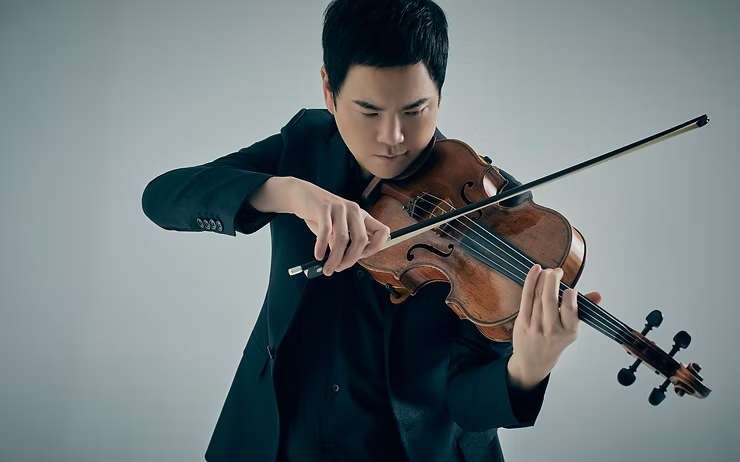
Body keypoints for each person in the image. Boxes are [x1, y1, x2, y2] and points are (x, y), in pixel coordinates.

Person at [141, 0, 601, 460]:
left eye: (415, 110)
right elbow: (162, 197)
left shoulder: (492, 208)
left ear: (439, 95)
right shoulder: (304, 147)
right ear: (329, 90)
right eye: (368, 111)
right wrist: (291, 192)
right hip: (277, 439)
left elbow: (463, 404)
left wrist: (527, 369)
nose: (392, 137)